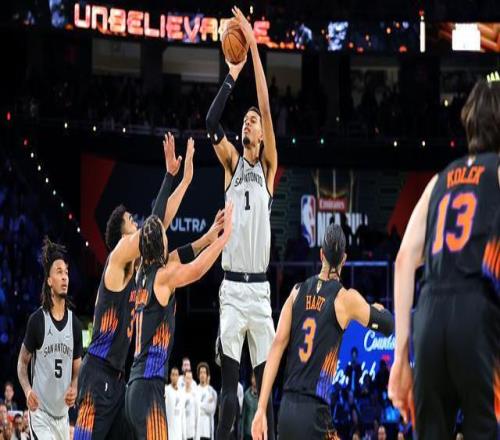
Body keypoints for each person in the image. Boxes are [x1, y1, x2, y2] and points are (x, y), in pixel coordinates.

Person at [388, 75, 500, 439]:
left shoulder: (438, 181)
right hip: (476, 312)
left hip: (429, 313)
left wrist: (401, 356)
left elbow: (404, 260)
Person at [75, 134, 201, 440]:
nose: (139, 223)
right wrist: (169, 176)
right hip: (97, 375)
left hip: (120, 380)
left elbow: (159, 226)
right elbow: (155, 224)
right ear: (124, 235)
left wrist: (185, 182)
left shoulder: (141, 269)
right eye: (132, 220)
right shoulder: (118, 257)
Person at [205, 7, 278, 440]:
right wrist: (233, 74)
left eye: (254, 121)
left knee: (264, 395)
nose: (249, 121)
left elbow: (265, 105)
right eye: (246, 119)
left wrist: (252, 45)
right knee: (229, 391)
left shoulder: (268, 167)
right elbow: (210, 122)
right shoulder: (232, 162)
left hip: (261, 292)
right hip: (232, 290)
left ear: (262, 135)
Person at [252, 224, 394, 440]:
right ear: (344, 259)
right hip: (315, 413)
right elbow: (388, 325)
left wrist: (261, 408)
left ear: (321, 254)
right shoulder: (345, 299)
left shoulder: (296, 292)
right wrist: (376, 309)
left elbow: (275, 349)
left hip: (287, 410)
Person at [124, 201, 233, 440]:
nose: (169, 240)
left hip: (135, 387)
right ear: (160, 244)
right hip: (148, 386)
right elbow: (196, 269)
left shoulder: (143, 273)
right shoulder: (163, 277)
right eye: (165, 236)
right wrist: (224, 241)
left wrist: (208, 238)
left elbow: (180, 255)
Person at [17, 238, 83, 440]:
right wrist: (28, 391)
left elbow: (77, 370)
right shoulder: (37, 321)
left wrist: (74, 386)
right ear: (49, 280)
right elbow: (22, 363)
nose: (64, 277)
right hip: (41, 415)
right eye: (59, 272)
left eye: (67, 272)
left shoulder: (75, 324)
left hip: (63, 418)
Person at [196, 363, 217, 440]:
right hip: (197, 432)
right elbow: (194, 409)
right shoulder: (195, 390)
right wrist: (205, 404)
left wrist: (199, 405)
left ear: (207, 375)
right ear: (198, 375)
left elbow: (211, 409)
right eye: (201, 372)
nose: (202, 375)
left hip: (207, 432)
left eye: (204, 373)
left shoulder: (211, 391)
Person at [165, 367, 185, 440]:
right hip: (168, 433)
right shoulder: (166, 390)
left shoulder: (181, 393)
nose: (174, 377)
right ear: (170, 376)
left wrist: (184, 436)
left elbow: (183, 415)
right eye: (173, 375)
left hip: (179, 434)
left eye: (176, 375)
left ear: (178, 377)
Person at [182, 370, 199, 440]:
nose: (188, 380)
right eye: (187, 378)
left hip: (191, 432)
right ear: (184, 379)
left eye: (190, 378)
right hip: (181, 431)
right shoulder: (180, 393)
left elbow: (197, 414)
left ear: (192, 380)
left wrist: (197, 435)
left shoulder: (195, 394)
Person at [241, 374, 258, 440]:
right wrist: (241, 434)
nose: (255, 379)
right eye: (253, 377)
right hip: (248, 432)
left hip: (258, 432)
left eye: (256, 377)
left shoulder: (262, 396)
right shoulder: (247, 395)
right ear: (251, 379)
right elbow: (243, 415)